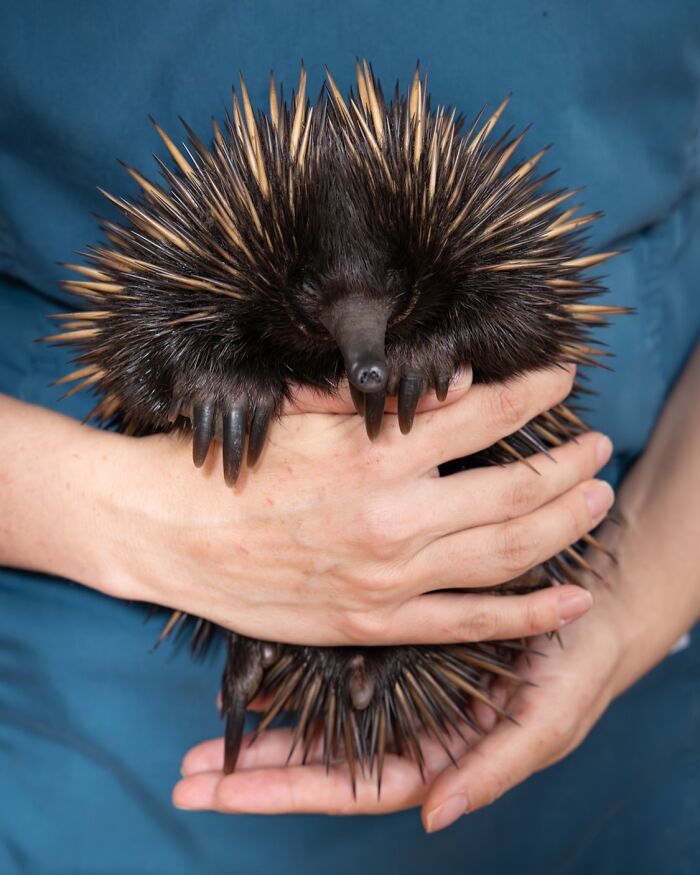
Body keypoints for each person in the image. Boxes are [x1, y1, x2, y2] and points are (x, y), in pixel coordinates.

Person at [0, 2, 698, 874]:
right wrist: (128, 518)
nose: (365, 359)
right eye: (328, 312)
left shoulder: (478, 257)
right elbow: (146, 363)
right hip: (84, 647)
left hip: (603, 598)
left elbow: (525, 323)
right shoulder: (192, 286)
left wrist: (631, 614)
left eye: (385, 306)